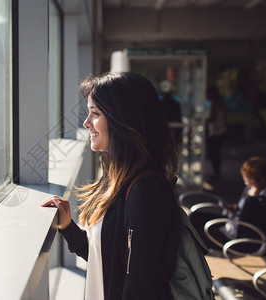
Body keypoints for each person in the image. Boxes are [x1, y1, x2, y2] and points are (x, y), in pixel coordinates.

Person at [42, 72, 181, 299]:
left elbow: (141, 287)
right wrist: (68, 228)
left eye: (95, 113)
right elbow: (110, 262)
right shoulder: (120, 181)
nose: (86, 123)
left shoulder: (145, 192)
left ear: (123, 120)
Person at [190, 156, 266, 250]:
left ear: (261, 180)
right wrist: (237, 209)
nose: (246, 184)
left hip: (241, 237)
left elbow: (251, 223)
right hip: (235, 221)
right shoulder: (253, 188)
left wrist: (252, 198)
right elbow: (246, 212)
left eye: (248, 181)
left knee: (196, 236)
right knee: (194, 217)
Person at [205, 86, 227, 178]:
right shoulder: (220, 103)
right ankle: (216, 172)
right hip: (220, 131)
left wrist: (203, 120)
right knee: (216, 153)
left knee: (214, 153)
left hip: (216, 132)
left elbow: (212, 118)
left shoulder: (215, 104)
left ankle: (216, 173)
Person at [159, 80, 183, 149]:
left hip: (167, 132)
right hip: (172, 132)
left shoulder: (160, 104)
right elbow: (179, 120)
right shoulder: (176, 104)